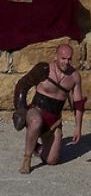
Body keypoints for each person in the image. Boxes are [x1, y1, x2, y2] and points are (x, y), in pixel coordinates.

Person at [12, 44, 86, 174]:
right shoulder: (43, 69)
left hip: (54, 120)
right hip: (36, 111)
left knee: (52, 160)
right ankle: (27, 160)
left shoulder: (74, 77)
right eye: (63, 58)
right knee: (35, 121)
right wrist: (21, 109)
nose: (66, 62)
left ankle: (37, 147)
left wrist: (78, 127)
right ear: (56, 56)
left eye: (69, 59)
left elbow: (78, 104)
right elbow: (23, 85)